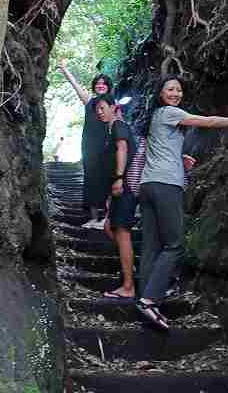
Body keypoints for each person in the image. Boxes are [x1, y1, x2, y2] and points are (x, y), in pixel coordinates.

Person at [137, 75, 228, 330]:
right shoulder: (170, 112)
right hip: (166, 186)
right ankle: (149, 300)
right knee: (175, 245)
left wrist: (182, 159)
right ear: (161, 93)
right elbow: (207, 121)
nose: (176, 93)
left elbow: (160, 151)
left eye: (179, 90)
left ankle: (143, 296)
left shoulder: (157, 116)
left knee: (151, 246)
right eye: (170, 89)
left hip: (149, 185)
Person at [58, 60, 113, 228]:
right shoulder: (89, 102)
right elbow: (76, 87)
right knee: (91, 181)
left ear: (109, 87)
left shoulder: (113, 104)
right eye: (98, 83)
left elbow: (119, 125)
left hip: (106, 146)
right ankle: (94, 217)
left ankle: (107, 218)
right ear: (94, 87)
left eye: (104, 83)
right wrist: (65, 70)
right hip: (89, 147)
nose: (101, 85)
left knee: (108, 180)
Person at [94, 93, 138, 301]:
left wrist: (119, 178)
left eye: (103, 107)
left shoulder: (118, 125)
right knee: (109, 228)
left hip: (125, 186)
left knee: (122, 233)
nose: (99, 112)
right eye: (97, 110)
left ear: (114, 107)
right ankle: (132, 268)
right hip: (118, 189)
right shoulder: (112, 128)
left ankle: (129, 285)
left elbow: (122, 148)